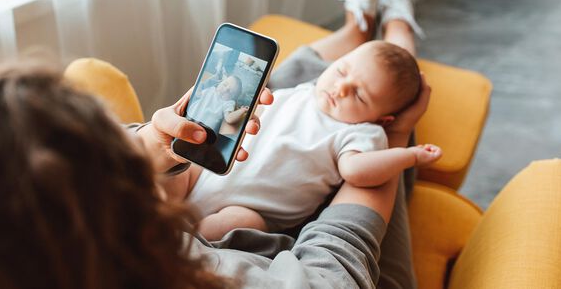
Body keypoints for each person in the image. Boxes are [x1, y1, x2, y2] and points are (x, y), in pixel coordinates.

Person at [0, 0, 426, 289]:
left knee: (288, 97)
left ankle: (356, 30)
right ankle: (397, 32)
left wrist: (152, 143)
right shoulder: (195, 268)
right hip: (317, 256)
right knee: (355, 118)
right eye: (112, 162)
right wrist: (391, 134)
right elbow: (339, 267)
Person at [187, 40, 442, 241]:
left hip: (249, 209)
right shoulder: (303, 91)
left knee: (234, 225)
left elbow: (356, 171)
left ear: (383, 120)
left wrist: (411, 155)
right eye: (341, 71)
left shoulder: (361, 132)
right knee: (178, 170)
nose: (341, 88)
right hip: (211, 170)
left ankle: (181, 240)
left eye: (360, 95)